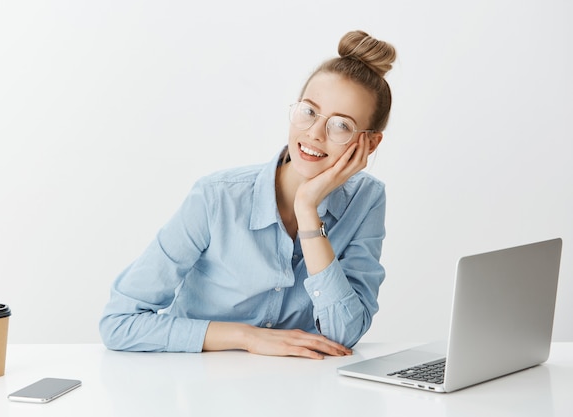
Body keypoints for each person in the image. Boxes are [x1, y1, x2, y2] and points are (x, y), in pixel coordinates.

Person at [99, 30, 396, 360]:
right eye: (309, 112)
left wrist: (307, 209)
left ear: (369, 143)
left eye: (341, 125)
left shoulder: (366, 200)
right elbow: (118, 322)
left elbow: (344, 333)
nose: (314, 133)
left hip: (296, 391)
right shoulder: (216, 198)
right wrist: (247, 337)